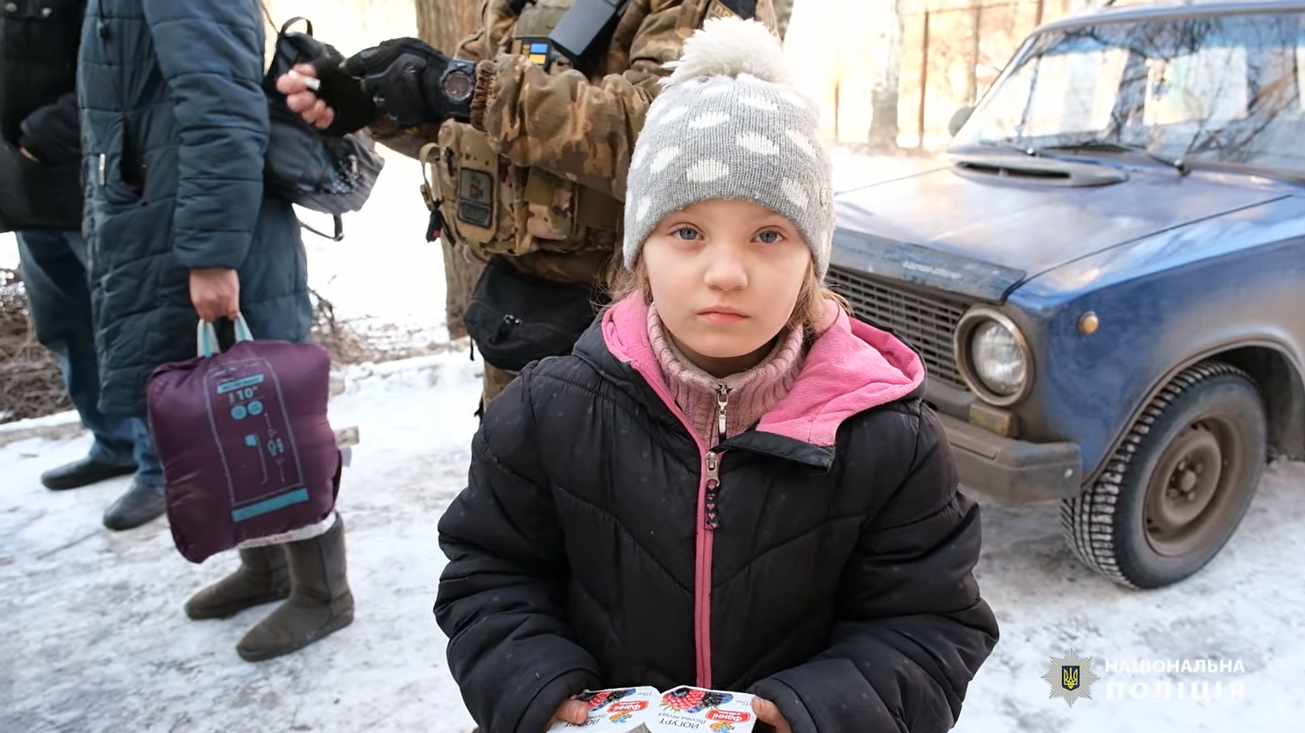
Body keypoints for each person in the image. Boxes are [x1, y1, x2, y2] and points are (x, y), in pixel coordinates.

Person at [432, 17, 1000, 733]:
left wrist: (806, 711)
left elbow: (929, 624)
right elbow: (491, 577)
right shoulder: (548, 412)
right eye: (687, 232)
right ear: (641, 249)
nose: (725, 273)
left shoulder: (888, 438)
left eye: (768, 234)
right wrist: (542, 692)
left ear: (811, 259)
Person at [276, 0, 778, 417]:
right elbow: (470, 121)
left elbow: (674, 135)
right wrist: (376, 103)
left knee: (634, 525)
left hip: (644, 341)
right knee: (512, 518)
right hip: (519, 324)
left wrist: (468, 88)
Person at [76, 0, 353, 661]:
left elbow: (221, 108)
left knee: (271, 420)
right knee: (225, 421)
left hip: (216, 234)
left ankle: (323, 590)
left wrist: (213, 253)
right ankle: (267, 566)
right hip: (166, 218)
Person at [0, 0, 164, 530]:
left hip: (88, 178)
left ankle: (159, 466)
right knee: (63, 321)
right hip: (21, 189)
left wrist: (43, 136)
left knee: (125, 325)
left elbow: (121, 67)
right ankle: (111, 440)